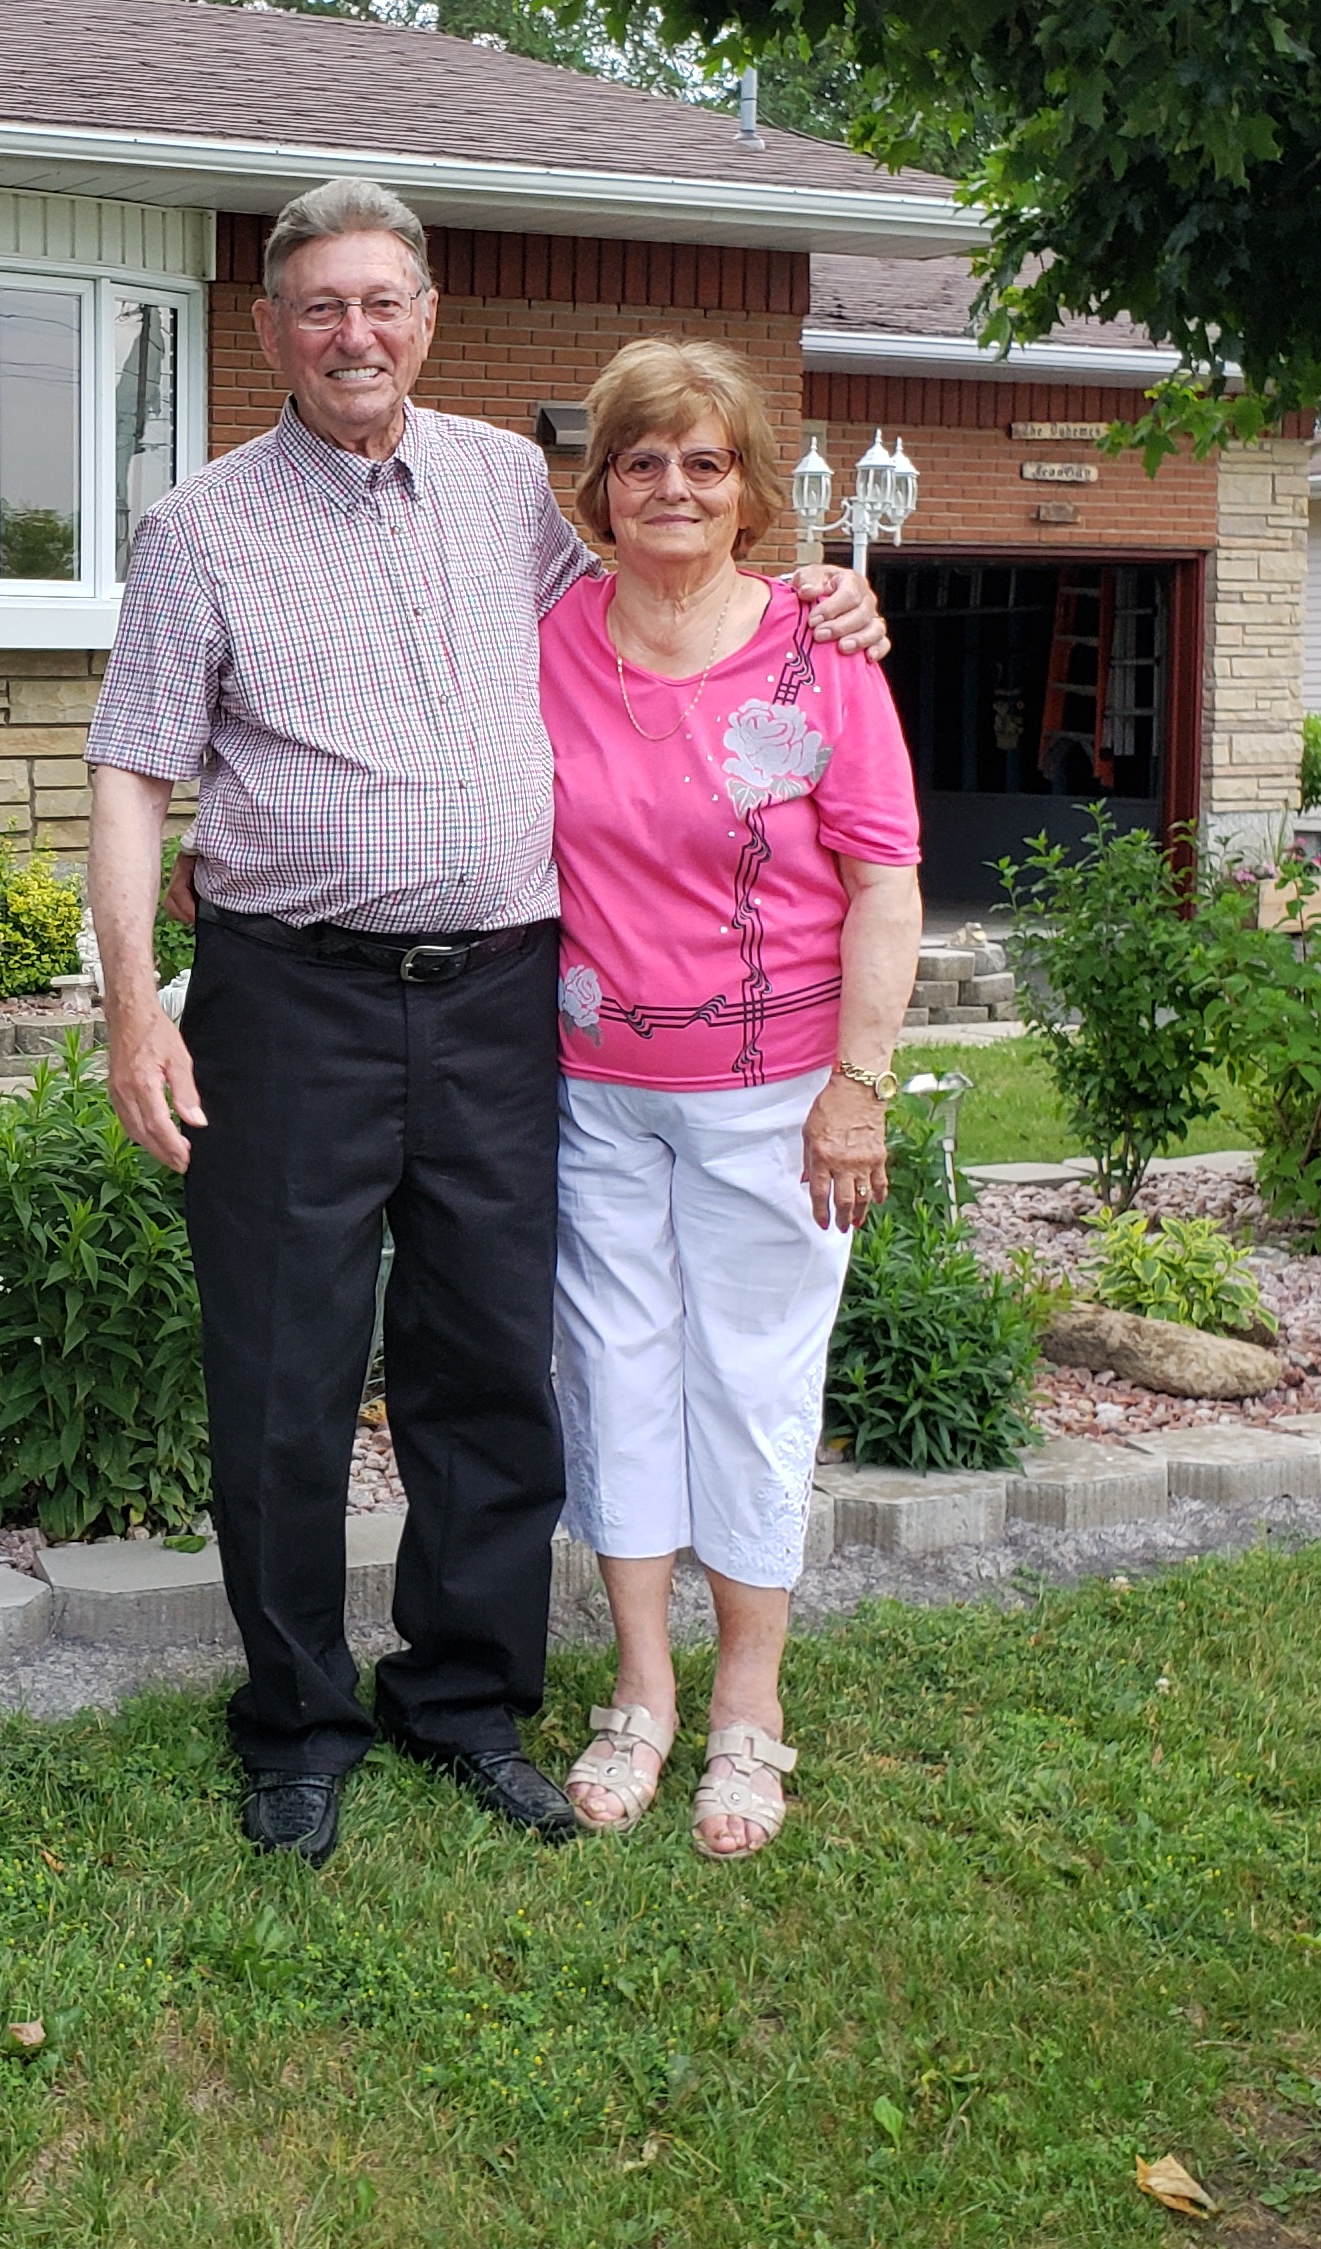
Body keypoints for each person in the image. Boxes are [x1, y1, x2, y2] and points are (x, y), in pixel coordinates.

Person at [85, 177, 887, 1868]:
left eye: (380, 302)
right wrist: (132, 1007)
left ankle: (462, 1698)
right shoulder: (197, 530)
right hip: (289, 997)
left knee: (489, 1365)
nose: (353, 335)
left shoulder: (508, 488)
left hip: (501, 1000)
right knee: (285, 1369)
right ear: (269, 330)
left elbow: (670, 596)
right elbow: (133, 774)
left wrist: (823, 598)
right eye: (319, 306)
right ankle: (296, 1720)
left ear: (426, 318)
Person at [542, 338, 920, 1855]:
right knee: (615, 1378)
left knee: (753, 1386)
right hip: (592, 1089)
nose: (673, 488)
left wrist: (858, 1087)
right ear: (600, 489)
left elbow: (885, 882)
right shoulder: (550, 638)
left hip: (776, 1096)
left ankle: (747, 1705)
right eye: (641, 461)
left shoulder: (820, 649)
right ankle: (640, 1688)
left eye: (704, 462)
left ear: (752, 489)